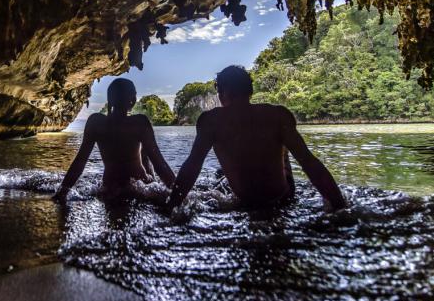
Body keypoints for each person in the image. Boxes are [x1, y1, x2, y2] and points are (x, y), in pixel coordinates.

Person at [166, 65, 346, 210]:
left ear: (222, 94)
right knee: (284, 146)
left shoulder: (210, 121)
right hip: (282, 198)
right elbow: (309, 162)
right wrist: (340, 205)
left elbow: (192, 165)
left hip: (244, 201)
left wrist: (172, 205)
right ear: (250, 91)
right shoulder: (278, 115)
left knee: (220, 176)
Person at [52, 78, 176, 201]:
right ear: (132, 101)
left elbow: (80, 161)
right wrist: (179, 193)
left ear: (109, 100)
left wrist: (63, 191)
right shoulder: (139, 123)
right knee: (145, 151)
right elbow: (159, 163)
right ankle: (152, 180)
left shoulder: (95, 122)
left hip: (109, 187)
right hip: (139, 186)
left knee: (142, 150)